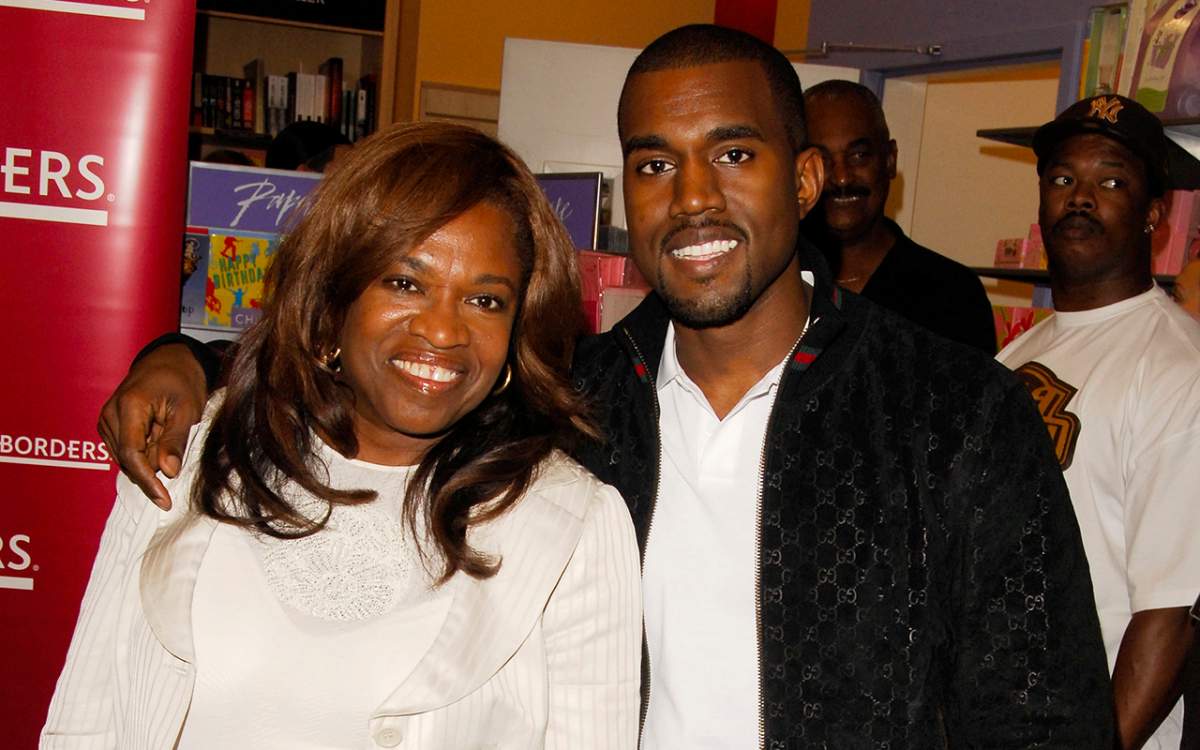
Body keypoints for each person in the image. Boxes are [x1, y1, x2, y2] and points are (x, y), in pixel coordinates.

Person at [97, 25, 1113, 748]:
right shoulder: (570, 407)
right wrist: (189, 360)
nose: (695, 198)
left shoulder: (953, 415)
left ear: (802, 183)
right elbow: (386, 375)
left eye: (735, 154)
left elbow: (1041, 716)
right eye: (655, 164)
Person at [43, 123, 641, 749]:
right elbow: (84, 722)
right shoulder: (190, 447)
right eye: (405, 283)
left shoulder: (571, 524)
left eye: (485, 301)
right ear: (335, 298)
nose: (442, 331)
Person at [997, 94, 1200, 750]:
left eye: (1111, 181)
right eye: (1062, 179)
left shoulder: (1177, 369)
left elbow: (1173, 610)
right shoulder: (1014, 357)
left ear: (1154, 214)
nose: (1079, 197)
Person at [802, 80, 997, 354]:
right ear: (801, 172)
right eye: (822, 160)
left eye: (858, 156)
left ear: (890, 160)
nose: (842, 177)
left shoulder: (952, 294)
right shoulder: (777, 282)